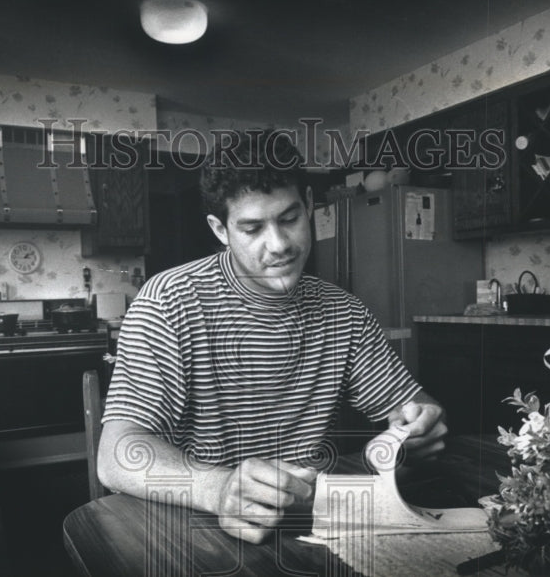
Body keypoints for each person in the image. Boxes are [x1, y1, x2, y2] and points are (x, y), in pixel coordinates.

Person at [98, 130, 447, 544]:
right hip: (200, 530)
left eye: (289, 219)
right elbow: (117, 454)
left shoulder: (344, 312)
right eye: (251, 228)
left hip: (312, 528)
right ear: (220, 229)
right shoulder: (169, 301)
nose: (279, 245)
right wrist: (221, 489)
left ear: (311, 206)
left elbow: (412, 406)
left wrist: (420, 425)